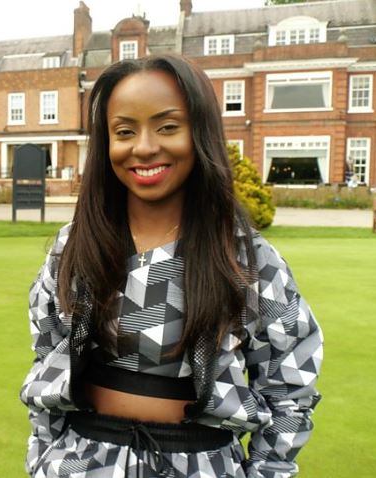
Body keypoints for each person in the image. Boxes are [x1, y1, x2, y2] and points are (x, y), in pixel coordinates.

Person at [20, 54, 322, 478]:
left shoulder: (246, 259)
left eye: (167, 127)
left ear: (200, 133)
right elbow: (47, 360)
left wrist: (267, 471)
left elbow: (289, 387)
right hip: (80, 463)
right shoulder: (74, 247)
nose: (144, 147)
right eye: (124, 131)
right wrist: (44, 459)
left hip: (200, 464)